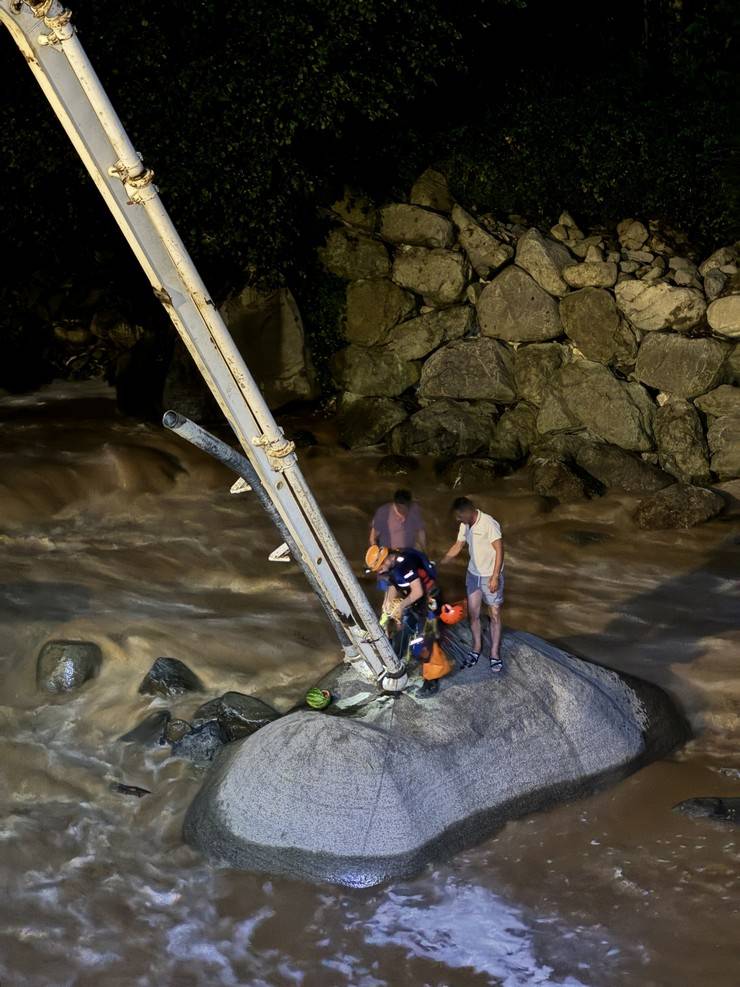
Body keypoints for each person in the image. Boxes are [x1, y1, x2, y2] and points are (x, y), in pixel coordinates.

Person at [439, 496, 505, 673]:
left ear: (469, 511)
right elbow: (458, 545)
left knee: (495, 613)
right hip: (473, 575)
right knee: (474, 613)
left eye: (460, 516)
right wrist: (442, 562)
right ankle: (476, 648)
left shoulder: (489, 523)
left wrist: (495, 577)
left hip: (490, 575)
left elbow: (500, 549)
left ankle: (494, 653)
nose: (458, 519)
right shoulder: (465, 525)